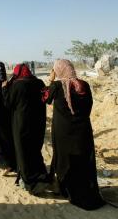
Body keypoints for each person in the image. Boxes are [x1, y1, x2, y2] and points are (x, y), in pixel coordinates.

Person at [43, 59, 105, 210]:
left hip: (63, 131)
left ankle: (67, 189)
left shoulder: (57, 86)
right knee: (83, 160)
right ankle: (87, 190)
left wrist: (50, 80)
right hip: (83, 130)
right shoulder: (83, 85)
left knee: (66, 159)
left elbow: (45, 98)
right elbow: (89, 105)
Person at [2, 63, 48, 194]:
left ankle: (30, 182)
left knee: (23, 152)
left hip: (22, 124)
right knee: (35, 150)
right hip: (38, 123)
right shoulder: (39, 82)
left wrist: (5, 89)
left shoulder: (17, 85)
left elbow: (8, 103)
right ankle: (41, 176)